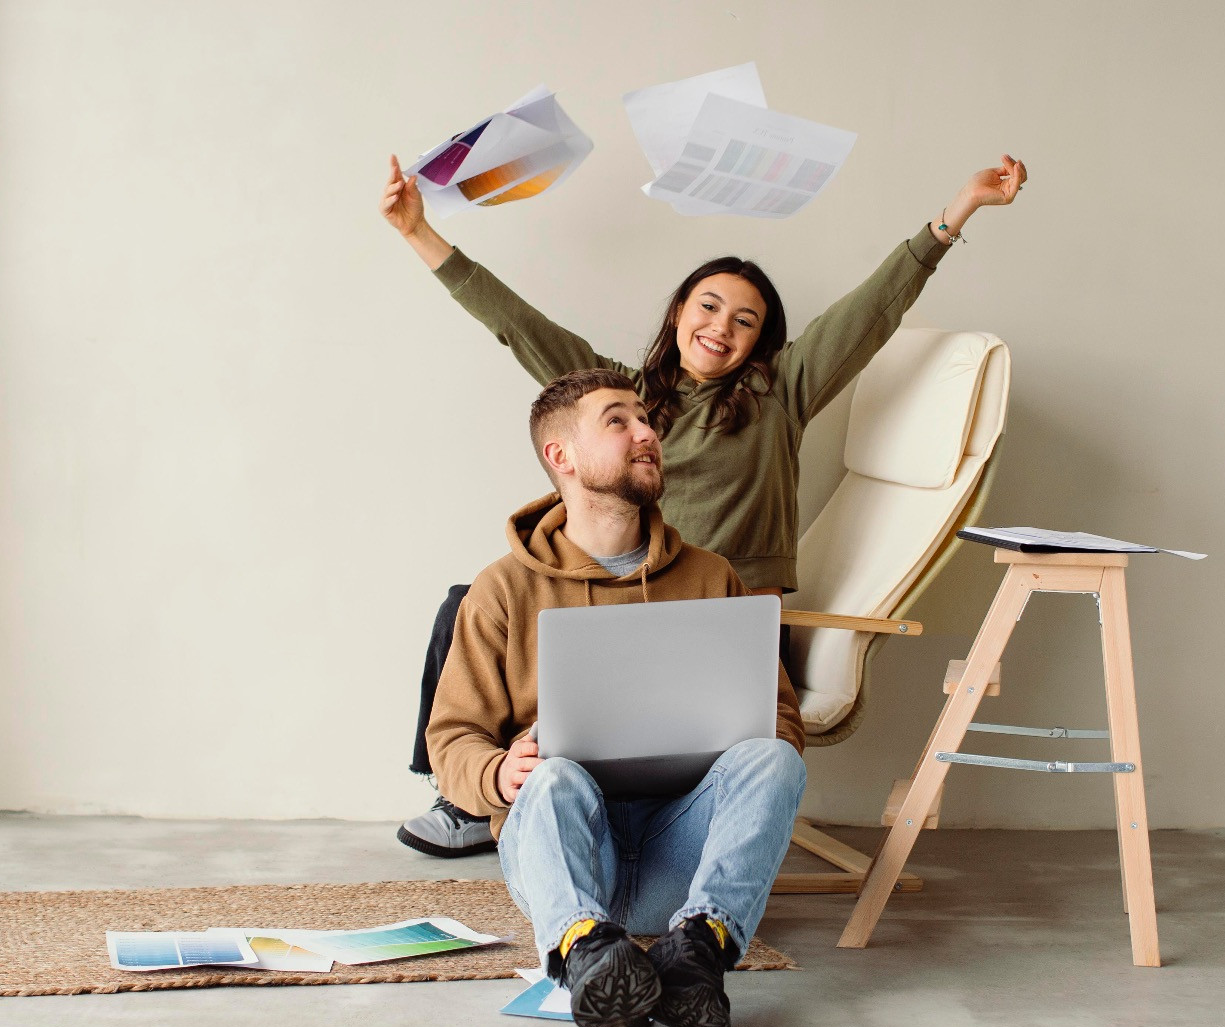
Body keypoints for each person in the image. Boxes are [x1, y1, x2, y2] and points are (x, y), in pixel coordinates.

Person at [386, 151, 1027, 856]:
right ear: (680, 313)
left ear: (761, 341)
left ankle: (546, 813)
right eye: (710, 306)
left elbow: (873, 310)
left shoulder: (777, 396)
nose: (722, 326)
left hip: (717, 626)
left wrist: (956, 212)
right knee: (470, 600)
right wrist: (419, 233)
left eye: (746, 320)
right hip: (622, 612)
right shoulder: (624, 400)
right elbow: (518, 325)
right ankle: (467, 794)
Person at [426, 368, 808, 1027]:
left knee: (773, 758)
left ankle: (699, 950)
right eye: (619, 420)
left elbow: (780, 720)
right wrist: (498, 773)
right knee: (552, 771)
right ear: (561, 457)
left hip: (679, 855)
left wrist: (732, 731)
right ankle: (589, 953)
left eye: (646, 419)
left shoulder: (710, 576)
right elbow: (452, 737)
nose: (647, 432)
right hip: (575, 858)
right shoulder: (501, 589)